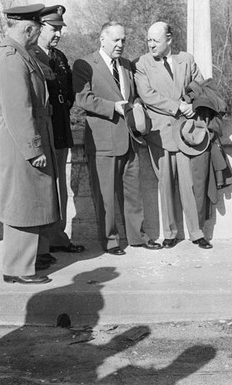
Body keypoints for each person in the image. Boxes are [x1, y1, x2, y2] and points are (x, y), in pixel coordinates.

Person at [72, 22, 161, 255]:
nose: (120, 45)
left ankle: (138, 238)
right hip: (102, 141)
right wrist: (114, 107)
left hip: (130, 139)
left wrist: (138, 106)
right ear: (102, 39)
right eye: (116, 40)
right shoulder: (84, 65)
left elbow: (133, 96)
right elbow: (83, 98)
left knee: (133, 193)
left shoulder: (126, 65)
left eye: (123, 40)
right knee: (106, 197)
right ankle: (111, 242)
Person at [0, 4, 59, 284]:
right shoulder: (12, 58)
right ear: (28, 28)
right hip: (21, 141)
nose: (39, 34)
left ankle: (30, 258)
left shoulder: (21, 55)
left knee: (33, 199)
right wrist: (33, 149)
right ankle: (17, 268)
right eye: (37, 29)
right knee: (22, 201)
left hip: (26, 137)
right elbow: (18, 110)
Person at [134, 21, 212, 250]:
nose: (150, 44)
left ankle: (197, 234)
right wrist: (177, 106)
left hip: (185, 132)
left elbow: (200, 86)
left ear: (169, 39)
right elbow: (147, 95)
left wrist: (190, 104)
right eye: (148, 40)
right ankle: (169, 233)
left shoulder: (186, 60)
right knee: (165, 185)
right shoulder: (142, 64)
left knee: (189, 185)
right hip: (159, 134)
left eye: (155, 40)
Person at [30, 5, 85, 255]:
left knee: (60, 185)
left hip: (61, 127)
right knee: (44, 187)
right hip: (44, 129)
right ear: (40, 27)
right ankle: (42, 243)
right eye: (54, 29)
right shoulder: (30, 55)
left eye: (60, 29)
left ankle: (58, 237)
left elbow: (69, 94)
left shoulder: (60, 57)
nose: (58, 34)